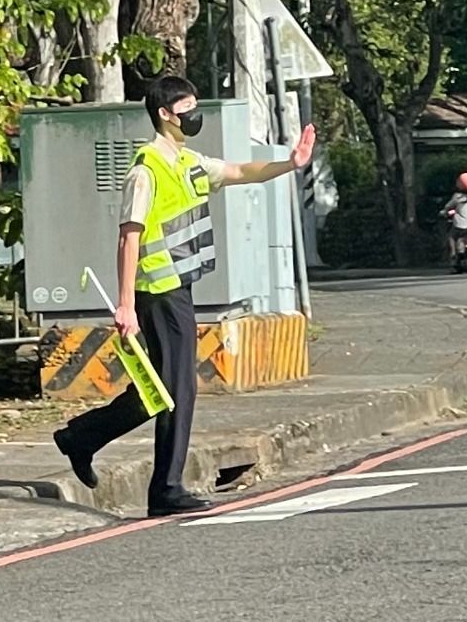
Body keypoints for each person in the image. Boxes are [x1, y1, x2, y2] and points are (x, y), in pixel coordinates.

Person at [52, 75, 316, 518]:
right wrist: (125, 304)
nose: (194, 115)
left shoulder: (189, 163)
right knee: (178, 390)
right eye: (186, 108)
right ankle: (166, 489)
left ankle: (81, 437)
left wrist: (289, 163)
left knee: (162, 389)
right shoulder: (145, 169)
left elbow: (239, 172)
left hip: (179, 288)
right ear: (164, 114)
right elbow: (128, 238)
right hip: (157, 292)